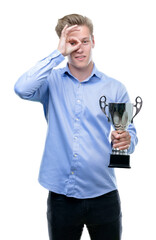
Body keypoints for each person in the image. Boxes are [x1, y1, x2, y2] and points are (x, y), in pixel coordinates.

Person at [14, 14, 138, 240]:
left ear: (93, 41)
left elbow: (129, 136)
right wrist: (57, 54)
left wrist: (127, 141)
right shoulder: (50, 82)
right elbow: (22, 88)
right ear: (63, 45)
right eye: (72, 43)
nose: (79, 49)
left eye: (84, 41)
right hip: (62, 197)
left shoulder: (114, 88)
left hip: (104, 195)